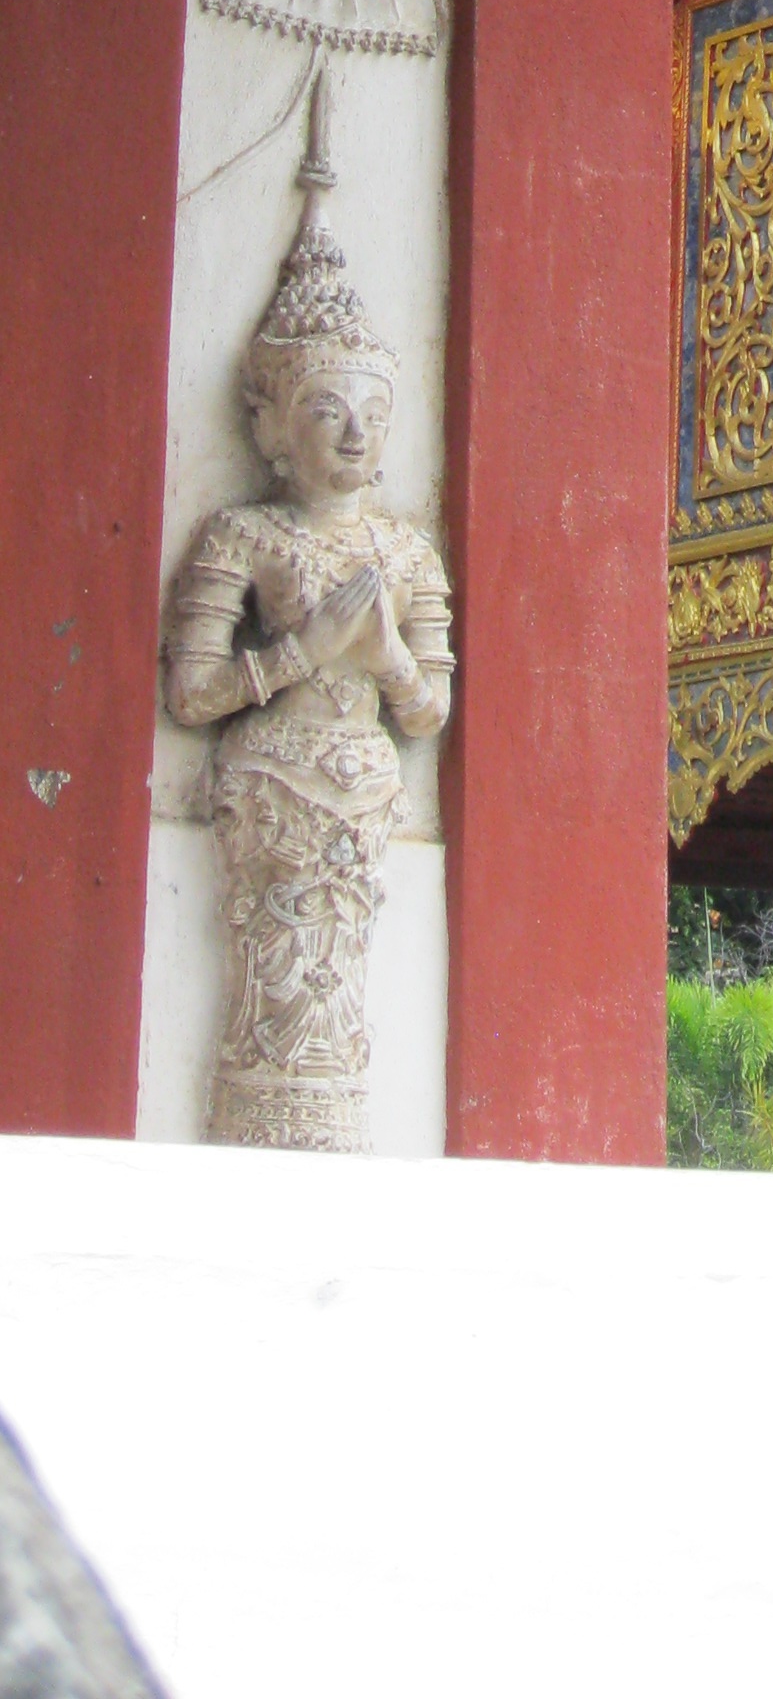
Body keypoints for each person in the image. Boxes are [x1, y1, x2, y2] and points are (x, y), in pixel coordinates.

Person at [162, 83, 453, 1151]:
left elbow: (427, 713)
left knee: (339, 989)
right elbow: (193, 692)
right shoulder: (243, 534)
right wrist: (302, 650)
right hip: (270, 790)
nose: (355, 435)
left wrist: (383, 661)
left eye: (373, 413)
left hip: (361, 790)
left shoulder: (407, 553)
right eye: (327, 410)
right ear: (272, 427)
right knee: (270, 987)